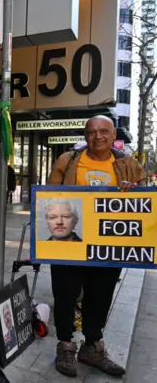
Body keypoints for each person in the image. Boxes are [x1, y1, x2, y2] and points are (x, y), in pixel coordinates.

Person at [47, 115, 146, 378]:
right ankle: (65, 345)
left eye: (104, 131)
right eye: (92, 132)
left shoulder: (129, 164)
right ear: (85, 135)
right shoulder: (66, 161)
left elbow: (144, 202)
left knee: (100, 296)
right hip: (71, 243)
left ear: (114, 135)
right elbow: (48, 198)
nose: (98, 136)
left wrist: (132, 190)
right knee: (65, 294)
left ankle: (92, 346)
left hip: (108, 244)